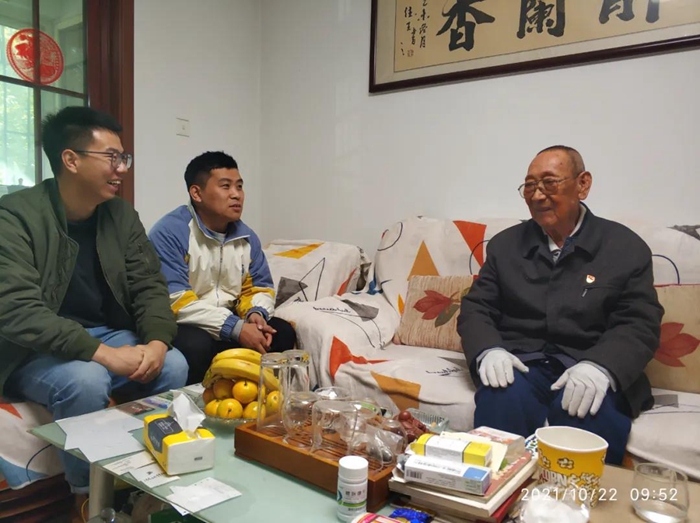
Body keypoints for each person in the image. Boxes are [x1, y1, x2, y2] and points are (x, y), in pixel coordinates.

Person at [0, 106, 188, 494]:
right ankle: (87, 496)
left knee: (173, 364)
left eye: (124, 158)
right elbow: (17, 311)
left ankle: (145, 480)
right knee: (86, 381)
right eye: (112, 157)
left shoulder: (121, 215)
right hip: (29, 350)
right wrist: (104, 355)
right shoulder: (14, 217)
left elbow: (150, 286)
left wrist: (156, 342)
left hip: (105, 333)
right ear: (71, 160)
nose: (122, 169)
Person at [457, 145, 663, 464]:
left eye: (549, 183)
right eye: (530, 186)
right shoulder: (505, 245)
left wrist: (602, 367)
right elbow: (477, 308)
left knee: (589, 415)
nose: (538, 195)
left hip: (588, 364)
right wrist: (489, 350)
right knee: (500, 401)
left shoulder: (625, 247)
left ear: (583, 184)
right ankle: (496, 493)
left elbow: (639, 321)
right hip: (524, 363)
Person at [149, 151, 296, 384]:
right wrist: (235, 328)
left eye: (239, 186)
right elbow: (175, 301)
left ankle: (259, 397)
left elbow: (260, 287)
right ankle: (202, 400)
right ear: (196, 193)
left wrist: (255, 314)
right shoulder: (170, 232)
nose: (236, 195)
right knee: (196, 344)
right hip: (185, 323)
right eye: (225, 186)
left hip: (231, 320)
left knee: (281, 331)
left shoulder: (247, 237)